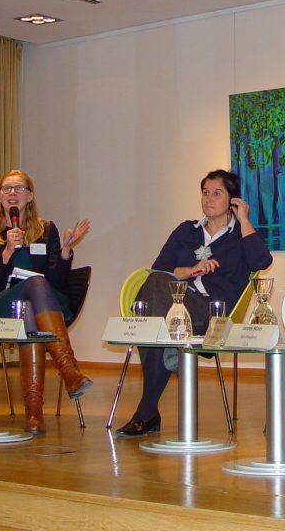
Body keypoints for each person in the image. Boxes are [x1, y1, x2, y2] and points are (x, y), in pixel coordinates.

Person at [115, 169, 273, 437]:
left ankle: (148, 409)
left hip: (212, 313)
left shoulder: (241, 236)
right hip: (175, 302)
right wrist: (189, 271)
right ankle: (169, 353)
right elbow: (159, 269)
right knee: (156, 287)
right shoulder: (186, 230)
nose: (209, 198)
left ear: (233, 200)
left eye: (217, 193)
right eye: (205, 193)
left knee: (152, 317)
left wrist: (244, 219)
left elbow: (262, 261)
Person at [0, 169, 92, 435]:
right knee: (34, 286)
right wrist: (7, 251)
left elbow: (56, 283)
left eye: (19, 188)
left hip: (41, 306)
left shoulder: (46, 230)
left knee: (30, 305)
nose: (12, 193)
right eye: (6, 189)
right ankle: (69, 371)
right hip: (0, 305)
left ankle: (34, 414)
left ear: (30, 196)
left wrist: (66, 251)